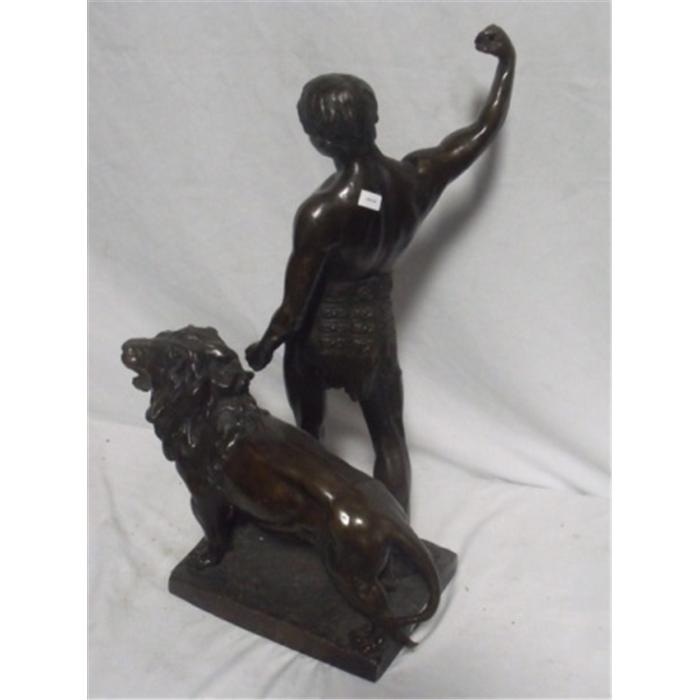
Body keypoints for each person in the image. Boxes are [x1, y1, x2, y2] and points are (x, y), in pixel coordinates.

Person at [246, 24, 516, 515]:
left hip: (317, 336)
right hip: (374, 333)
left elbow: (292, 308)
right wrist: (507, 63)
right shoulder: (417, 177)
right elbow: (482, 130)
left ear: (319, 139)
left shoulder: (321, 211)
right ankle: (395, 536)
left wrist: (264, 346)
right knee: (389, 438)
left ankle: (316, 524)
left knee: (308, 436)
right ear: (373, 120)